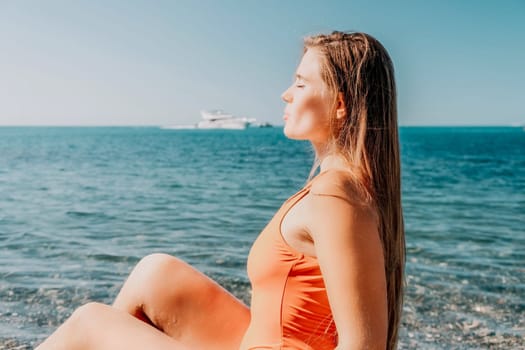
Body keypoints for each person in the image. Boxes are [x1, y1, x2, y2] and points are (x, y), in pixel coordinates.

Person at [36, 31, 405, 350]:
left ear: (340, 105)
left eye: (300, 83)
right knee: (156, 273)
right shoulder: (341, 190)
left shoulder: (335, 197)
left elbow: (363, 345)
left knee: (89, 322)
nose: (285, 94)